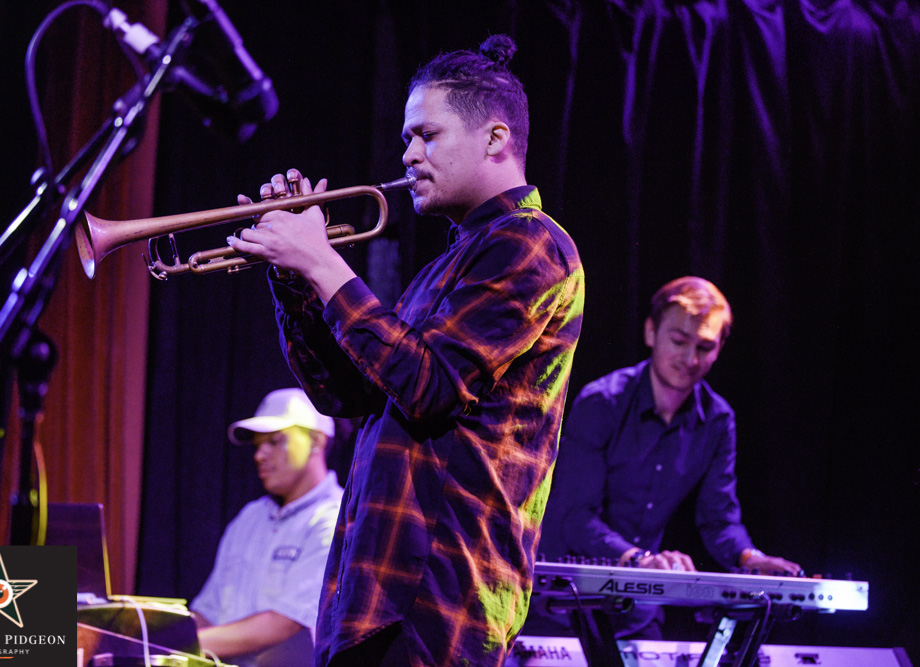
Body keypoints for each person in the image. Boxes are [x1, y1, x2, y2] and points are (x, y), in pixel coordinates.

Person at [227, 34, 585, 667]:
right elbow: (349, 394)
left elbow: (429, 385)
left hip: (438, 596)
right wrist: (296, 278)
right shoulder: (447, 263)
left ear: (495, 139)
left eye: (427, 135)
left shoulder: (533, 246)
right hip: (375, 593)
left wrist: (321, 260)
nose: (408, 155)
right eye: (405, 139)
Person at [539, 276, 801, 639]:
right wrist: (639, 560)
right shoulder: (602, 402)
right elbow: (575, 515)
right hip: (563, 604)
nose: (690, 359)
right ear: (651, 332)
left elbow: (719, 519)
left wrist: (751, 560)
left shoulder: (718, 419)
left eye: (705, 346)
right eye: (679, 341)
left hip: (637, 612)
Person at [191, 387, 344, 667]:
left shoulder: (335, 518)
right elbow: (208, 611)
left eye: (275, 441)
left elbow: (283, 624)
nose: (259, 455)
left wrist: (180, 643)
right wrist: (145, 629)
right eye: (257, 445)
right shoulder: (250, 517)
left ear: (316, 441)